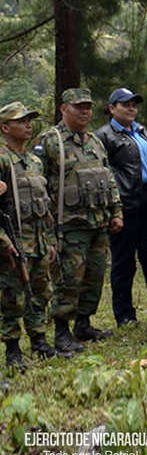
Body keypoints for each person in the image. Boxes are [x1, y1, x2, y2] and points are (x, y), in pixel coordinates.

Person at [34, 88, 123, 353]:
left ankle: (83, 324)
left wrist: (116, 212)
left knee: (94, 277)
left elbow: (109, 179)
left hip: (98, 223)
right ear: (64, 109)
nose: (84, 112)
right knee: (69, 280)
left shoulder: (95, 141)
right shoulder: (50, 141)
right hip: (68, 226)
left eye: (88, 107)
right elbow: (36, 179)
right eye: (78, 107)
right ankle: (62, 331)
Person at [0, 103, 67, 368]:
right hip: (13, 241)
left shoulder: (35, 161)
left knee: (41, 293)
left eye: (29, 120)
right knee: (12, 296)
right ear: (5, 127)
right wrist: (3, 242)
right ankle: (13, 350)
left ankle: (39, 341)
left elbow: (45, 206)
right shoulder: (2, 159)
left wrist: (50, 240)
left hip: (38, 241)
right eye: (21, 121)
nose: (28, 124)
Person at [94, 88, 147, 326]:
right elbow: (102, 174)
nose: (131, 108)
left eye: (134, 104)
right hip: (125, 204)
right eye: (125, 104)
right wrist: (114, 209)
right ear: (112, 108)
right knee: (124, 261)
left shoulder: (142, 130)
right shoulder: (104, 136)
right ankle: (124, 314)